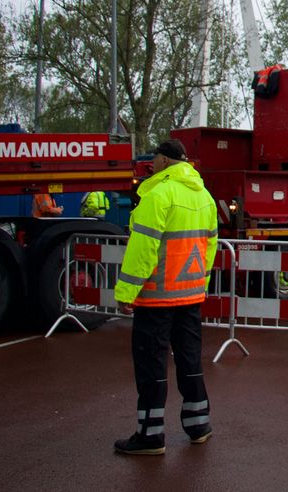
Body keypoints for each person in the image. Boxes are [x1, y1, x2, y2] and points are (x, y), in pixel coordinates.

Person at [113, 139, 218, 456]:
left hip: (157, 297)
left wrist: (126, 292)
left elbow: (143, 250)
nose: (152, 163)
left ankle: (150, 435)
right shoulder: (205, 197)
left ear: (163, 160)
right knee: (189, 361)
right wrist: (201, 284)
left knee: (151, 364)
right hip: (189, 295)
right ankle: (199, 425)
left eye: (154, 158)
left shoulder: (157, 195)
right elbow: (209, 247)